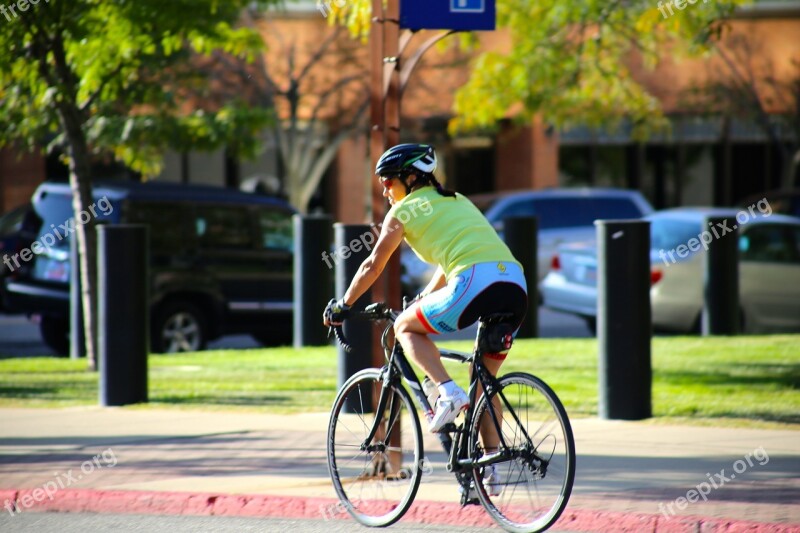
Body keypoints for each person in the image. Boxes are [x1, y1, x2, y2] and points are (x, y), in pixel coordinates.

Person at [323, 142, 527, 445]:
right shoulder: (458, 200)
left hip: (473, 282)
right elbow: (455, 261)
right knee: (483, 381)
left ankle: (447, 391)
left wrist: (344, 304)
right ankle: (491, 471)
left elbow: (372, 266)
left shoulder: (402, 211)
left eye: (387, 182)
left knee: (403, 326)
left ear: (410, 178)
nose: (384, 192)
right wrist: (424, 297)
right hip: (514, 283)